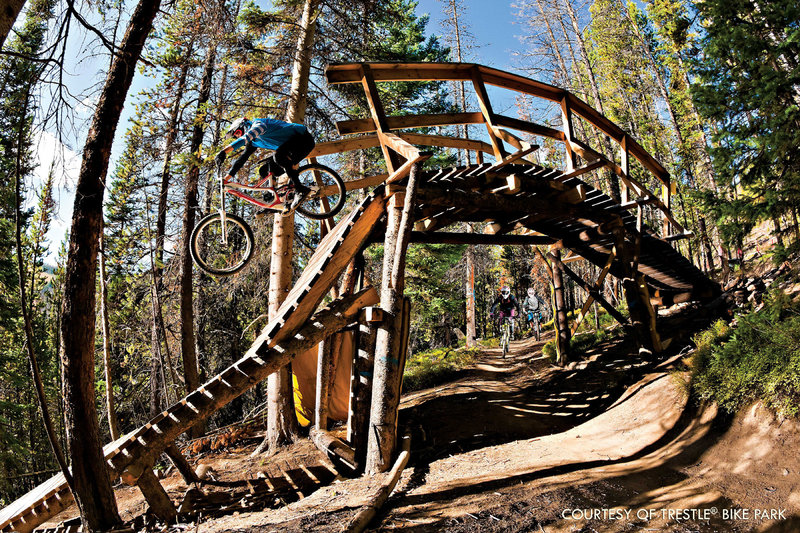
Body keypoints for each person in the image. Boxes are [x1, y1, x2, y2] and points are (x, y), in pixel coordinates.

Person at [215, 117, 315, 212]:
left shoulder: (259, 125)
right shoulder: (253, 142)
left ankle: (300, 189)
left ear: (244, 125)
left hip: (303, 140)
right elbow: (241, 160)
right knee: (264, 170)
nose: (239, 136)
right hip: (292, 147)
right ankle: (275, 201)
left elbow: (245, 138)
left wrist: (224, 152)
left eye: (238, 133)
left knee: (279, 157)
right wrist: (226, 179)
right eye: (236, 136)